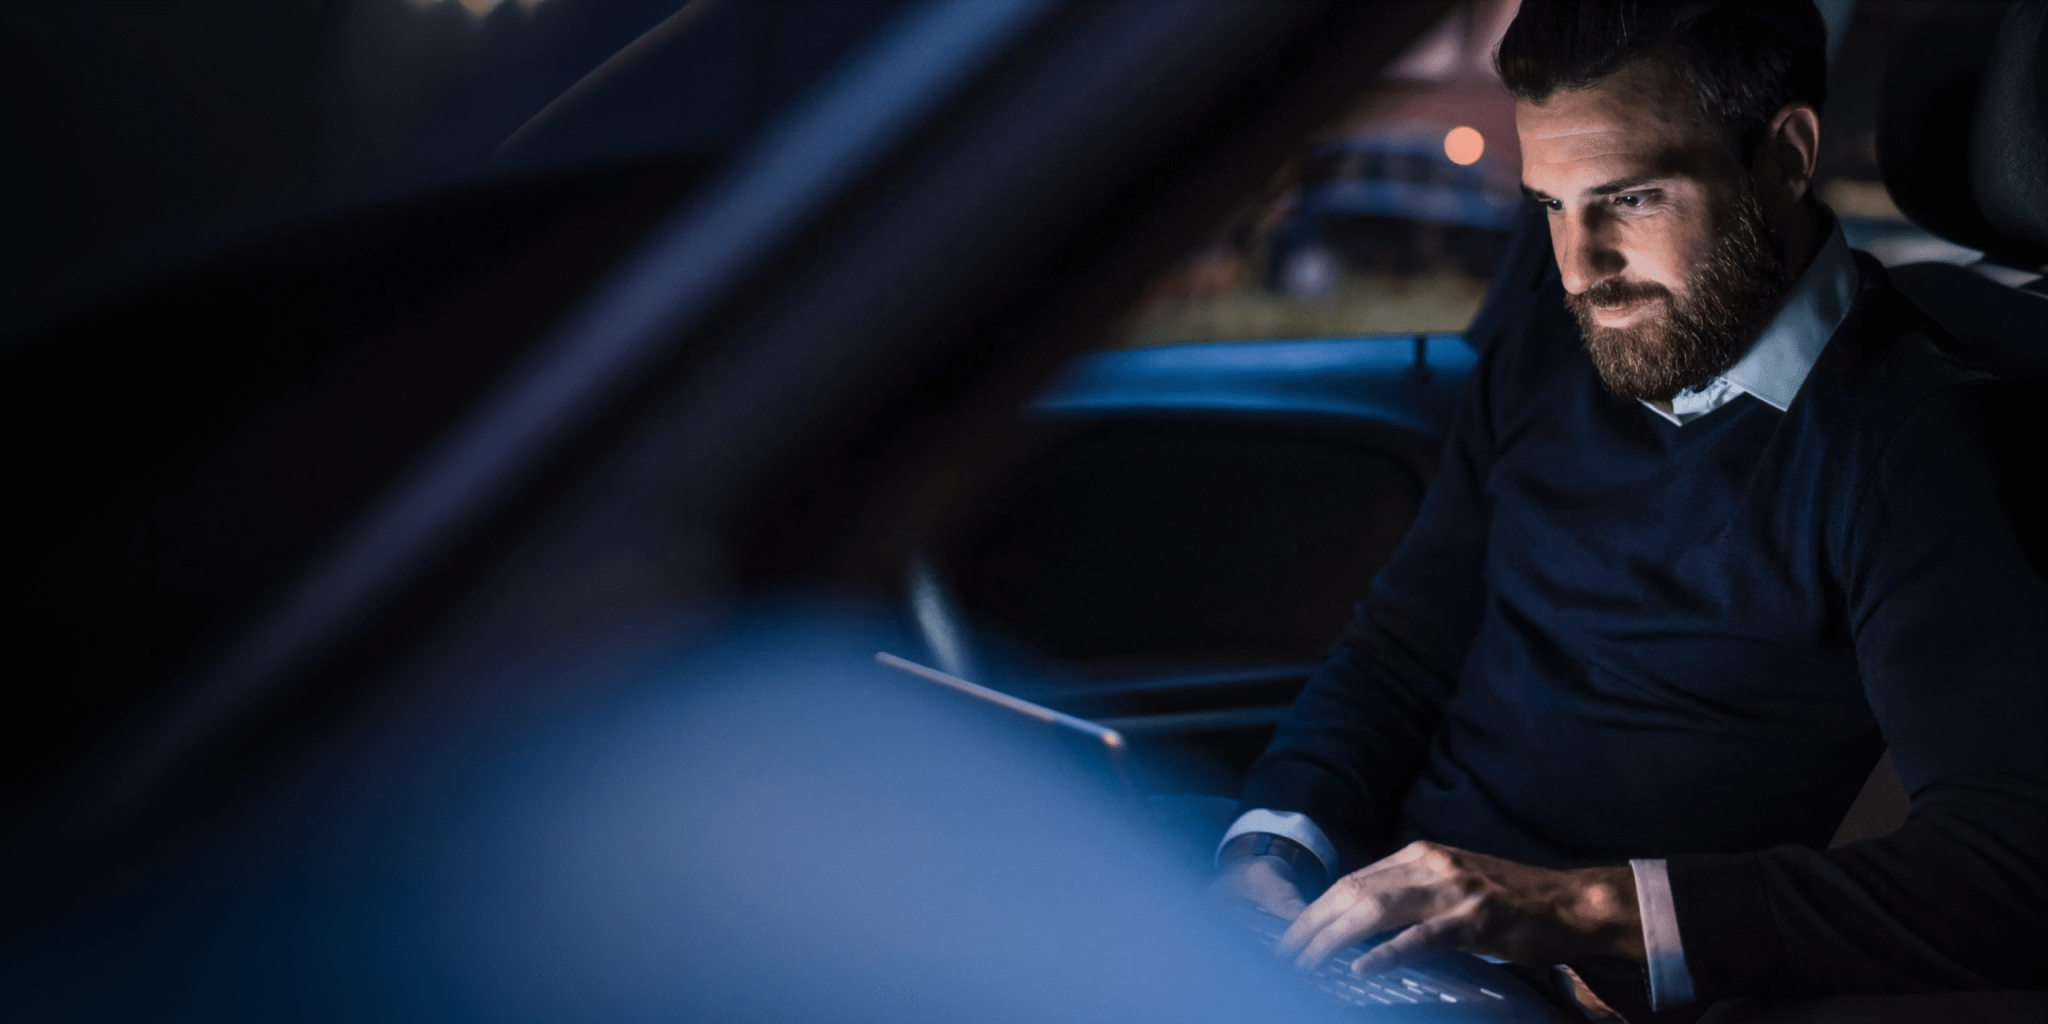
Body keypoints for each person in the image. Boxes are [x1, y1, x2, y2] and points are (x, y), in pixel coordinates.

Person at [1213, 1, 2048, 1019]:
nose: (1577, 269)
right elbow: (1397, 651)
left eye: (1632, 197)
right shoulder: (1539, 356)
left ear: (1781, 157)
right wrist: (1269, 847)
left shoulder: (1913, 440)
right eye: (1550, 206)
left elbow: (2013, 865)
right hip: (1369, 934)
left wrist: (1579, 909)